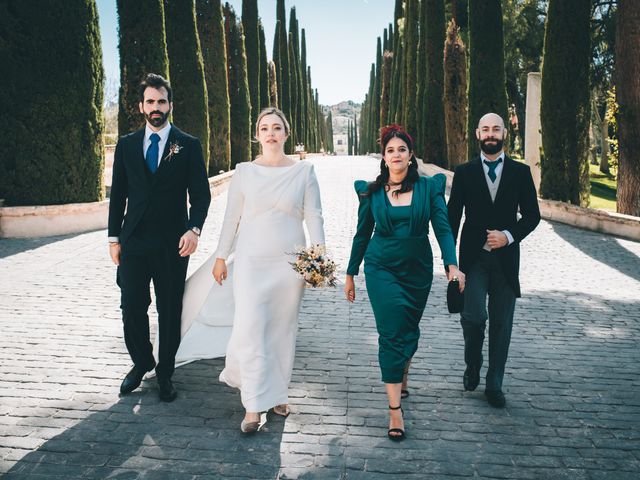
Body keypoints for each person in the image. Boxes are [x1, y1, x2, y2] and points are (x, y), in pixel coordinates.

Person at [344, 125, 464, 441]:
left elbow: (443, 229)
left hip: (418, 270)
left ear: (411, 156)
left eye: (401, 149)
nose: (396, 155)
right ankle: (395, 410)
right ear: (384, 158)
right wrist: (350, 273)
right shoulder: (371, 193)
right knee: (390, 332)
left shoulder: (429, 189)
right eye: (390, 150)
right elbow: (361, 234)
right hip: (381, 267)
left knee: (408, 329)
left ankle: (402, 369)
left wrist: (452, 265)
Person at [210, 107, 325, 433]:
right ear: (257, 135)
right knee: (252, 327)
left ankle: (277, 393)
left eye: (277, 127)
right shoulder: (244, 171)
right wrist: (221, 256)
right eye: (264, 128)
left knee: (281, 332)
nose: (271, 133)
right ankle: (252, 406)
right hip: (250, 262)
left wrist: (318, 260)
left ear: (286, 134)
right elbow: (232, 217)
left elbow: (314, 216)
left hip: (289, 265)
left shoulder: (304, 172)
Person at [108, 73, 211, 402]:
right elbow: (118, 196)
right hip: (134, 239)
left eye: (161, 101)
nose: (156, 107)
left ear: (170, 105)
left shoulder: (189, 145)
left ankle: (165, 372)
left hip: (173, 243)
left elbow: (201, 195)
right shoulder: (125, 145)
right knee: (131, 307)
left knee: (169, 310)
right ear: (141, 106)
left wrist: (194, 229)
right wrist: (114, 238)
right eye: (150, 101)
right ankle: (141, 363)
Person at [447, 113, 540, 408]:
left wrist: (509, 236)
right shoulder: (463, 172)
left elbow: (532, 216)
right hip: (472, 259)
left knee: (502, 324)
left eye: (496, 129)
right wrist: (451, 265)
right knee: (473, 317)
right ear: (477, 133)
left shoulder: (520, 172)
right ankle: (473, 362)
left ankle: (494, 383)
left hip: (506, 261)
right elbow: (451, 219)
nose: (491, 134)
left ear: (504, 133)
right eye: (485, 129)